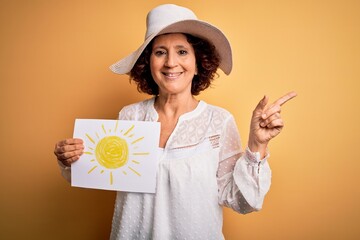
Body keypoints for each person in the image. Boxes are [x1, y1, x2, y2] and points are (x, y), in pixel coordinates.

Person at [54, 4, 296, 240]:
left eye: (182, 51)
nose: (171, 62)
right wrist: (72, 159)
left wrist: (257, 145)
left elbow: (242, 200)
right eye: (160, 52)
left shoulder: (218, 121)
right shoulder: (130, 116)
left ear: (198, 63)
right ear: (148, 64)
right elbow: (100, 171)